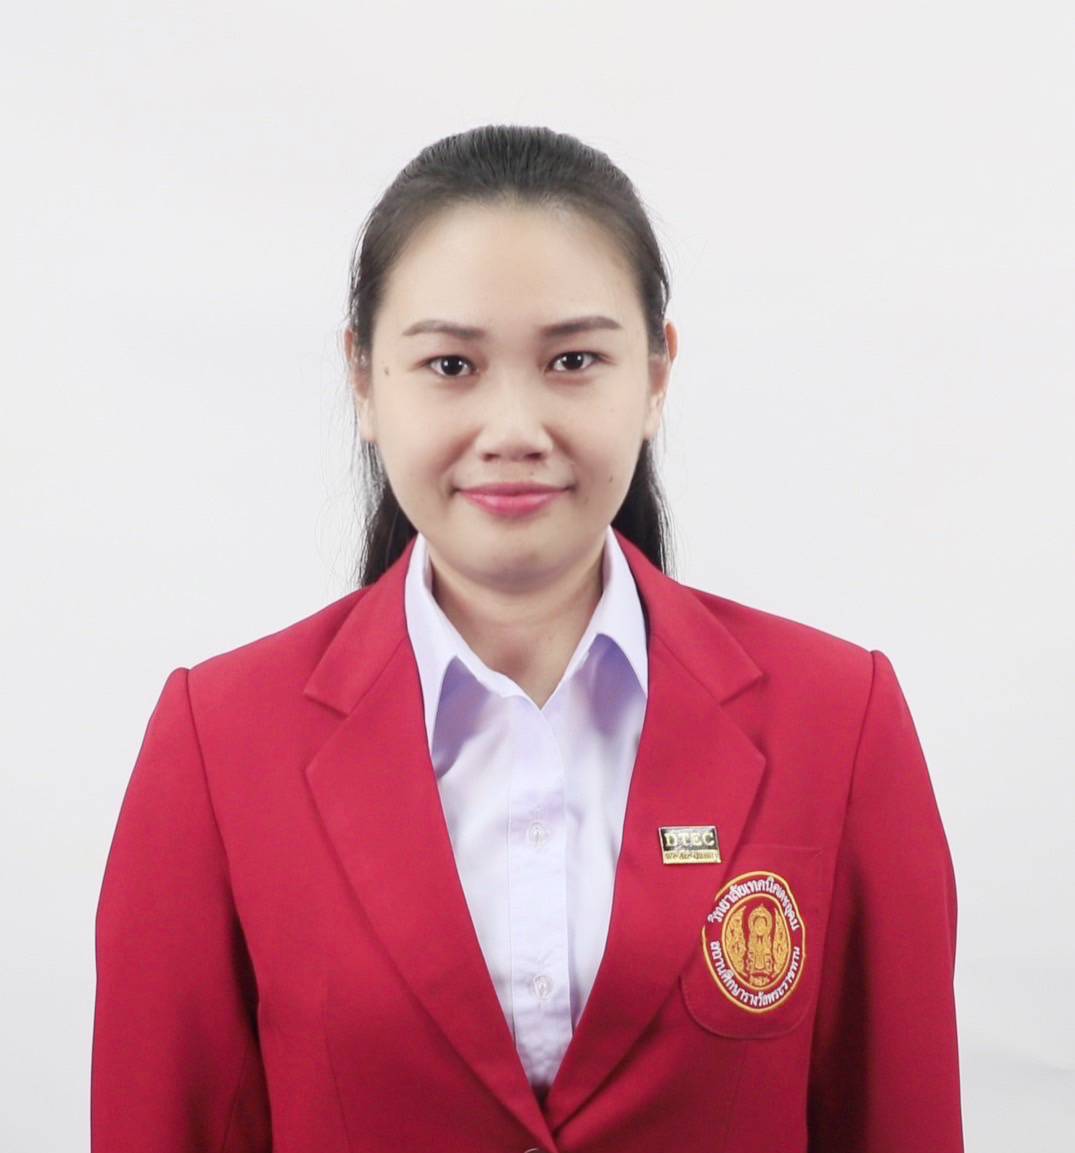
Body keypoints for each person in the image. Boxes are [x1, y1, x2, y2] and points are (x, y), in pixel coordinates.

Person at [91, 124, 966, 1152]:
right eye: (451, 364)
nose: (512, 428)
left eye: (573, 360)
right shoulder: (220, 740)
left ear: (655, 375)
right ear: (364, 381)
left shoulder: (838, 719)